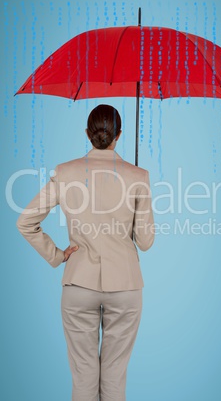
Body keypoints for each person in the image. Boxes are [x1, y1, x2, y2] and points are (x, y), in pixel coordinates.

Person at [16, 104, 155, 401]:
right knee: (115, 375)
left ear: (86, 134)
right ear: (119, 135)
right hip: (126, 286)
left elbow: (25, 221)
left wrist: (56, 255)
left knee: (83, 374)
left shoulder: (65, 172)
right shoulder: (138, 176)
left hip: (78, 283)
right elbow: (145, 242)